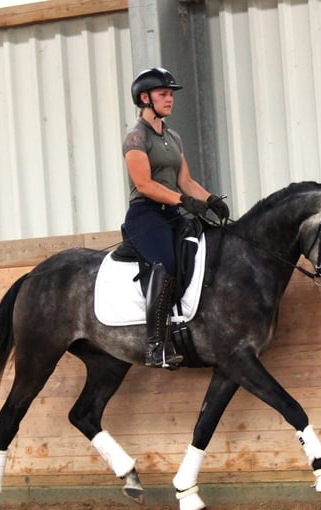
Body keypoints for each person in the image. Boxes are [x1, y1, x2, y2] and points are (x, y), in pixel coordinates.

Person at [122, 66, 229, 369]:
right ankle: (156, 344)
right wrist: (183, 200)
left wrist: (210, 200)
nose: (170, 99)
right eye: (163, 94)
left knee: (207, 246)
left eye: (171, 94)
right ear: (145, 98)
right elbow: (145, 184)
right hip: (145, 214)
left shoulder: (173, 137)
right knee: (166, 263)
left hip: (171, 211)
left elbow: (186, 181)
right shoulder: (135, 138)